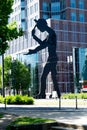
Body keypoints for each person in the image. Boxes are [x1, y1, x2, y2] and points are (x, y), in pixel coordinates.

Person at [25, 19, 61, 99]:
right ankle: (57, 95)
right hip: (51, 58)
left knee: (45, 76)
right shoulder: (49, 34)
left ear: (43, 25)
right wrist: (34, 37)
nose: (39, 30)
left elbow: (43, 46)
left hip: (52, 59)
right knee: (53, 77)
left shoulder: (52, 34)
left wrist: (33, 51)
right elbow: (43, 44)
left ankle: (43, 94)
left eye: (39, 27)